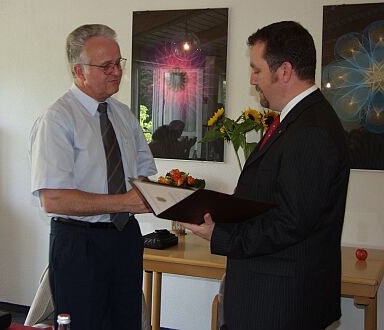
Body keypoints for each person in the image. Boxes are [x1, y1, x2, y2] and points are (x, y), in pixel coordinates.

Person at [184, 21, 349, 330]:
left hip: (279, 304)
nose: (252, 79)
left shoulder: (310, 130)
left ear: (284, 71)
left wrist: (220, 234)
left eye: (257, 69)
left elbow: (291, 221)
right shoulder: (297, 120)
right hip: (271, 296)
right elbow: (270, 198)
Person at [29, 24, 157, 329]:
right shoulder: (57, 119)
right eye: (106, 66)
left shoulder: (124, 115)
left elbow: (144, 176)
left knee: (127, 322)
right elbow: (53, 199)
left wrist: (166, 196)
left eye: (118, 63)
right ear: (79, 71)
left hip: (125, 239)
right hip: (79, 244)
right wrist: (124, 201)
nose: (116, 72)